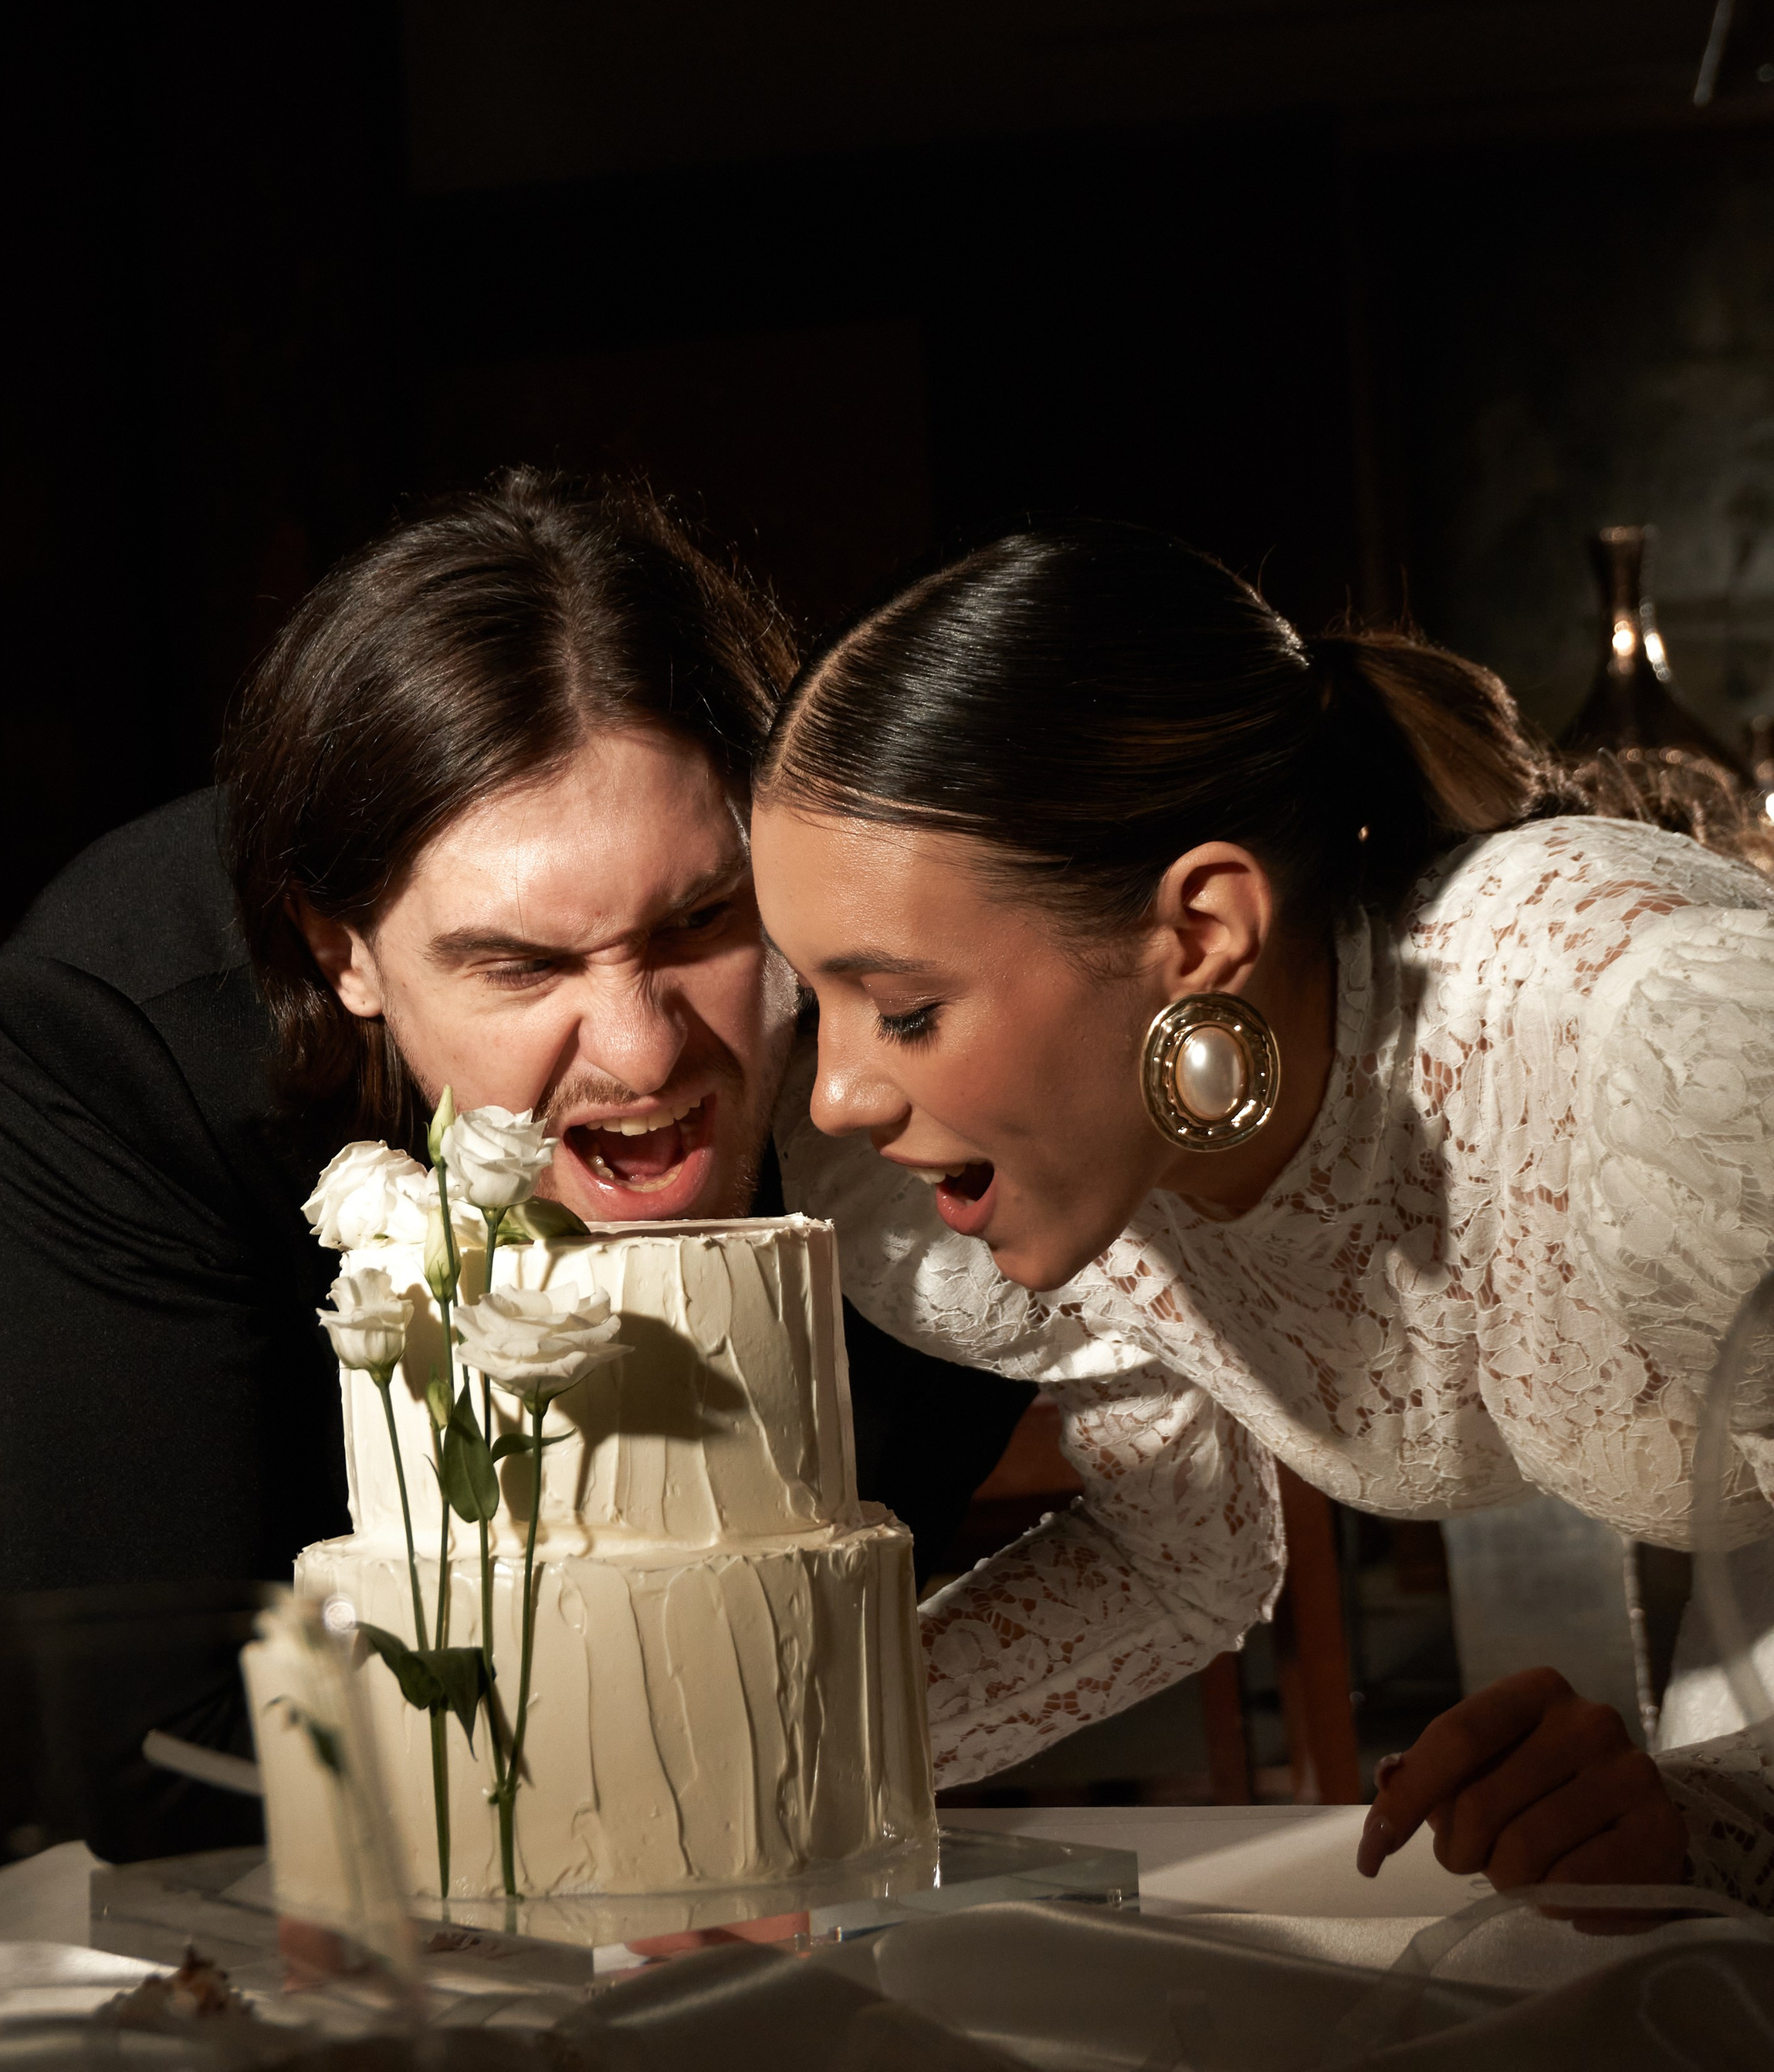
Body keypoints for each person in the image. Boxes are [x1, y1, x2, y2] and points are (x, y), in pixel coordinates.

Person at [0, 474, 1029, 1877]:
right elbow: (143, 1736)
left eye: (703, 919)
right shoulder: (113, 1028)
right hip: (86, 1841)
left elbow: (808, 1609)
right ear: (342, 950)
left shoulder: (888, 983)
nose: (644, 1047)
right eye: (522, 963)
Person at [751, 522, 1774, 1908]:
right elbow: (1179, 1561)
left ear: (1200, 931)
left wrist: (1713, 1817)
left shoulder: (1664, 1071)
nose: (835, 1099)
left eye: (910, 1009)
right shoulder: (1069, 1166)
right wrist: (781, 1773)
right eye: (821, 1003)